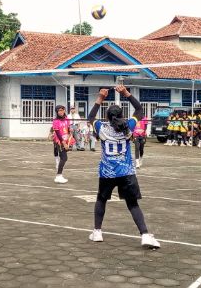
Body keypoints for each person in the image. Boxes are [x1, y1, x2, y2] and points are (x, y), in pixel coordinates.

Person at [87, 85, 160, 249]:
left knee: (101, 199)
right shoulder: (129, 126)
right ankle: (145, 235)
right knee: (132, 204)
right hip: (126, 172)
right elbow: (140, 109)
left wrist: (100, 98)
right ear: (122, 115)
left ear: (107, 116)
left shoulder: (102, 128)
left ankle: (97, 232)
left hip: (107, 172)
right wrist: (126, 93)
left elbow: (91, 116)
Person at [50, 105, 74, 184]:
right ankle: (58, 175)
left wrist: (70, 130)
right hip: (59, 141)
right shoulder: (55, 120)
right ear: (56, 112)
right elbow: (58, 133)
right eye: (59, 110)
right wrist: (63, 142)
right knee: (64, 158)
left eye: (62, 110)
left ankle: (58, 174)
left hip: (66, 139)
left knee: (63, 157)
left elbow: (68, 129)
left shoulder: (67, 119)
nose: (61, 112)